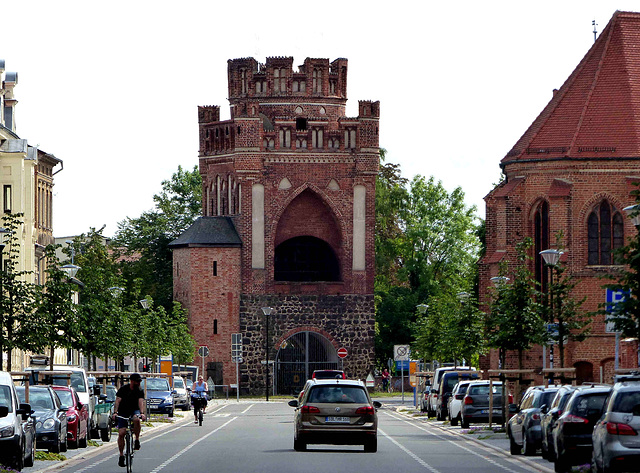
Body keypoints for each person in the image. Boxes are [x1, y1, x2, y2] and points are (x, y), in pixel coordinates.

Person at [112, 373, 146, 468]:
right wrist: (115, 412)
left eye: (139, 381)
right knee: (121, 433)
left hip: (134, 410)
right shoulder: (123, 389)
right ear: (132, 381)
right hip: (123, 411)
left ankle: (137, 440)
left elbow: (140, 401)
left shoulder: (139, 390)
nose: (139, 383)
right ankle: (121, 455)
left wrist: (142, 413)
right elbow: (118, 400)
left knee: (136, 420)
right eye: (137, 381)